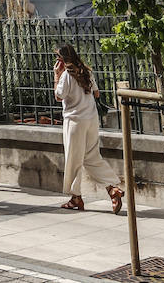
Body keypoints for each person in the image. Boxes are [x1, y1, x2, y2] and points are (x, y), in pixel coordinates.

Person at [55, 43, 124, 212]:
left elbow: (58, 96)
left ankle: (75, 198)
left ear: (62, 60)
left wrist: (56, 75)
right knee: (92, 157)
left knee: (74, 160)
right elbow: (97, 93)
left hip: (75, 121)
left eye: (57, 58)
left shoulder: (66, 76)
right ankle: (112, 188)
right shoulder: (87, 72)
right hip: (91, 119)